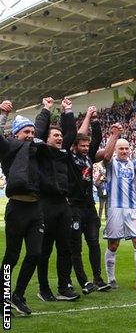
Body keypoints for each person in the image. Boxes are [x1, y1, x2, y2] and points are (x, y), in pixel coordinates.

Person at [0, 100, 45, 315]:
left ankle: (18, 294)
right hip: (17, 208)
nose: (30, 134)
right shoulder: (9, 147)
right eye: (26, 131)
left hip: (36, 209)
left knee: (36, 253)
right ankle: (3, 297)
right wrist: (3, 114)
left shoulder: (36, 150)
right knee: (12, 256)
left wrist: (47, 109)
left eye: (32, 131)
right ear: (17, 133)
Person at [35, 97, 82, 302]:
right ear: (47, 138)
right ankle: (44, 289)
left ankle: (64, 287)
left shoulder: (63, 153)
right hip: (45, 205)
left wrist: (68, 111)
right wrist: (46, 109)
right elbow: (37, 134)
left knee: (65, 247)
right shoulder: (41, 152)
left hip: (63, 205)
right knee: (44, 250)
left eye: (60, 135)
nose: (60, 138)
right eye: (55, 135)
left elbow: (71, 133)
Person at [67, 105, 111, 294]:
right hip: (73, 207)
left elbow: (99, 138)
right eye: (82, 146)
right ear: (75, 146)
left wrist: (94, 119)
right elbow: (75, 135)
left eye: (87, 146)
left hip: (89, 207)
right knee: (75, 246)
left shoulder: (89, 158)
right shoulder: (68, 157)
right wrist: (86, 117)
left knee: (94, 243)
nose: (85, 148)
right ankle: (82, 281)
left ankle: (98, 279)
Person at [102, 126, 136, 290]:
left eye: (126, 148)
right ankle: (111, 278)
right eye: (121, 148)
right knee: (113, 245)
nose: (124, 151)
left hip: (133, 209)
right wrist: (114, 136)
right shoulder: (110, 162)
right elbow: (105, 157)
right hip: (115, 208)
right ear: (116, 149)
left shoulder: (133, 162)